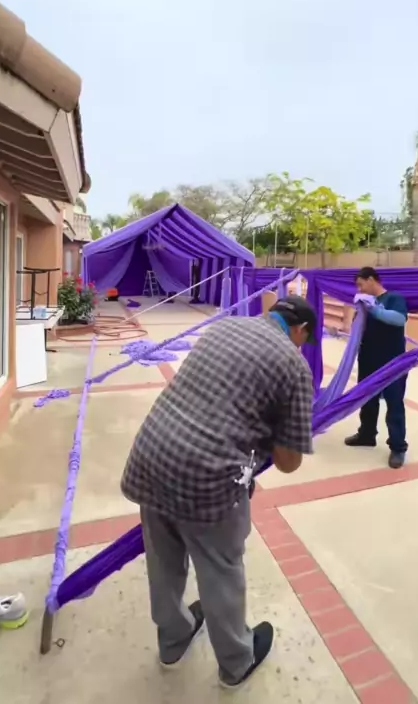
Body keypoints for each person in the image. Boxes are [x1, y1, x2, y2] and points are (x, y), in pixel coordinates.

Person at [121, 295, 316, 688]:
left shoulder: (223, 327)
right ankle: (236, 663)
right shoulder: (294, 366)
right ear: (302, 331)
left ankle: (173, 642)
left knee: (163, 562)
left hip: (150, 455)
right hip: (207, 478)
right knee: (220, 570)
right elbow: (288, 461)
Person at [344, 267, 408, 469]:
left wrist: (375, 310)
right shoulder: (365, 304)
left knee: (394, 403)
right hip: (368, 359)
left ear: (371, 279)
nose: (360, 289)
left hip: (392, 361)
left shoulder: (394, 298)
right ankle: (367, 434)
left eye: (361, 284)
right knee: (367, 399)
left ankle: (397, 447)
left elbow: (399, 319)